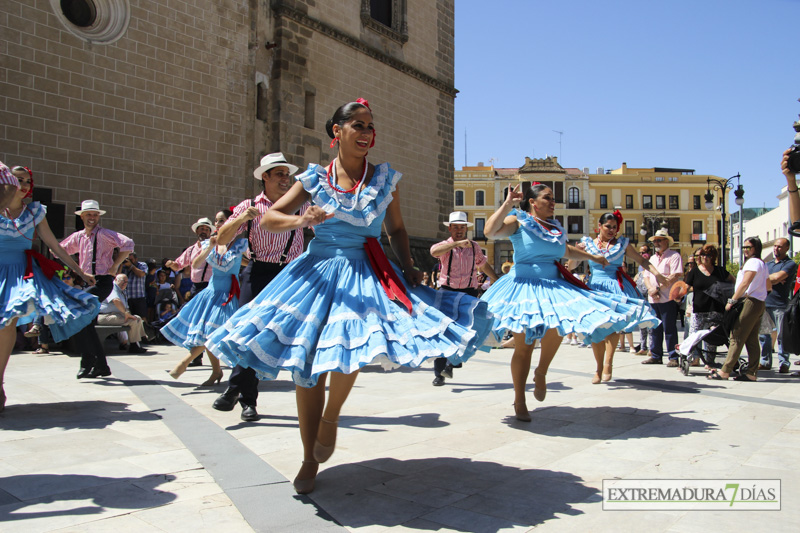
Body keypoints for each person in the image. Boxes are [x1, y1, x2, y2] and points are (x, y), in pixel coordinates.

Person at [207, 99, 492, 495]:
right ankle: (309, 456)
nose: (366, 133)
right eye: (358, 125)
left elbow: (397, 230)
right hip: (317, 270)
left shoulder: (384, 179)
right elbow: (271, 217)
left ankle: (332, 416)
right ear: (336, 132)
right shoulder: (313, 179)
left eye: (370, 127)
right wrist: (301, 219)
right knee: (306, 362)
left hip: (366, 271)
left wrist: (408, 265)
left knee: (352, 346)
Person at [481, 183, 641, 422]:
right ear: (533, 202)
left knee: (556, 331)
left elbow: (565, 251)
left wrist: (591, 256)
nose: (553, 202)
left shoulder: (555, 227)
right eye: (548, 198)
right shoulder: (519, 221)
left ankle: (542, 371)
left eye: (553, 198)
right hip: (524, 286)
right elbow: (490, 232)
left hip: (553, 287)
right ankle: (519, 399)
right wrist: (508, 204)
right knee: (524, 344)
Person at [210, 152, 308, 422]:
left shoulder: (298, 204)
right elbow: (221, 239)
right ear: (265, 177)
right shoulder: (250, 205)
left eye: (287, 175)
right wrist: (240, 220)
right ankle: (247, 401)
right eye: (279, 174)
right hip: (257, 272)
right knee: (247, 333)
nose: (285, 180)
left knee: (268, 336)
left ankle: (234, 391)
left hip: (288, 275)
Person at [1, 168, 99, 411]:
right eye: (17, 180)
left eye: (27, 181)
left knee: (8, 323)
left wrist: (79, 271)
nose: (23, 185)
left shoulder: (34, 211)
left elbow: (54, 245)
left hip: (20, 273)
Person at [568, 211, 664, 383]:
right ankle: (598, 367)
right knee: (597, 328)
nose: (611, 230)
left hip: (614, 287)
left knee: (611, 326)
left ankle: (608, 364)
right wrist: (577, 252)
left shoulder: (622, 244)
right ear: (599, 226)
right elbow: (572, 265)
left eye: (614, 227)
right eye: (608, 227)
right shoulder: (588, 244)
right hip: (595, 287)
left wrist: (658, 275)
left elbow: (642, 261)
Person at [162, 210, 247, 386]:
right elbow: (195, 264)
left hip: (228, 296)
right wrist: (209, 246)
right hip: (210, 294)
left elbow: (250, 260)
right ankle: (215, 371)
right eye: (216, 221)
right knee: (206, 332)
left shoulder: (240, 244)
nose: (218, 224)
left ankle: (185, 363)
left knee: (212, 333)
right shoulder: (209, 243)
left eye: (222, 220)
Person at [60, 199, 134, 378]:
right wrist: (75, 268)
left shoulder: (105, 234)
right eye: (88, 214)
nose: (92, 218)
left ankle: (90, 363)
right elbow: (59, 251)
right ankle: (97, 365)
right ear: (82, 216)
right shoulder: (78, 236)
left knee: (78, 311)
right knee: (87, 324)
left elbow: (128, 244)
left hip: (102, 282)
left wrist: (115, 265)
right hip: (86, 281)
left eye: (95, 214)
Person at [429, 210, 499, 386]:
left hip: (469, 292)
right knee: (444, 331)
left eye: (462, 227)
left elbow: (482, 265)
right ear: (450, 229)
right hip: (447, 292)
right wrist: (456, 244)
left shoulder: (474, 246)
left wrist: (496, 278)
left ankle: (452, 363)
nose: (459, 230)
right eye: (456, 227)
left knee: (468, 330)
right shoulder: (446, 245)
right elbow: (434, 251)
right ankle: (440, 373)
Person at [709, 237, 770, 381]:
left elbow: (744, 283)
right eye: (744, 247)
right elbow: (769, 286)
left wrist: (732, 300)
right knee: (751, 339)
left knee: (736, 335)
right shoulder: (762, 263)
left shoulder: (753, 262)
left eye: (748, 247)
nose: (745, 250)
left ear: (755, 248)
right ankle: (751, 372)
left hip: (749, 302)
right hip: (759, 302)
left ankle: (725, 371)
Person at [683, 244, 734, 368]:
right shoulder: (695, 271)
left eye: (708, 255)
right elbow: (685, 287)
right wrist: (681, 299)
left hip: (716, 310)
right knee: (693, 336)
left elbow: (734, 281)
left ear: (713, 257)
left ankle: (709, 362)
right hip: (699, 309)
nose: (705, 257)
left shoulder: (720, 271)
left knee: (712, 338)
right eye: (703, 255)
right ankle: (688, 360)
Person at [640, 229, 683, 367]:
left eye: (659, 240)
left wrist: (657, 289)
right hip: (653, 298)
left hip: (667, 298)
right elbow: (646, 276)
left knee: (669, 328)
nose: (656, 243)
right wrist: (650, 290)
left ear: (666, 241)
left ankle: (673, 356)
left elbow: (674, 276)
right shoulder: (652, 258)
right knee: (654, 328)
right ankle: (656, 355)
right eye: (654, 241)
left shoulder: (674, 256)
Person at [758, 238, 797, 372]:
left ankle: (784, 363)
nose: (776, 249)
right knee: (764, 335)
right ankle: (765, 361)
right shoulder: (767, 264)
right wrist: (772, 279)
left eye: (779, 247)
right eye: (775, 246)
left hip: (780, 305)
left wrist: (769, 279)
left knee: (781, 336)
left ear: (786, 248)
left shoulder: (790, 264)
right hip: (765, 303)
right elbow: (767, 278)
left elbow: (775, 278)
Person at [97, 274, 148, 353]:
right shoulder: (112, 288)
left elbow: (125, 307)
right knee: (133, 321)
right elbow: (116, 301)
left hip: (116, 315)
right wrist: (126, 313)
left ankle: (142, 338)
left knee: (137, 317)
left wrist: (128, 314)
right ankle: (134, 345)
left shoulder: (122, 291)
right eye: (123, 281)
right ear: (116, 280)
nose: (125, 283)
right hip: (104, 316)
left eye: (127, 282)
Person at [121, 252, 148, 321]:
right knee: (130, 319)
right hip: (127, 298)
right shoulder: (124, 267)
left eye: (131, 259)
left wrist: (131, 266)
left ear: (136, 259)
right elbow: (117, 276)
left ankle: (143, 331)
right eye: (128, 259)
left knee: (142, 318)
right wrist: (121, 264)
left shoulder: (142, 265)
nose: (129, 261)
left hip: (139, 297)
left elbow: (141, 274)